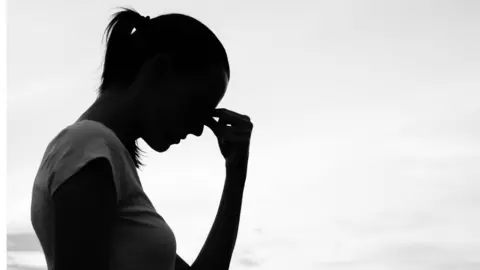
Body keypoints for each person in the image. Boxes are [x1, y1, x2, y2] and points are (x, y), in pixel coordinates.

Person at [30, 7, 253, 270]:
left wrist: (236, 172)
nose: (197, 129)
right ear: (159, 71)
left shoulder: (102, 154)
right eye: (197, 107)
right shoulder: (87, 147)